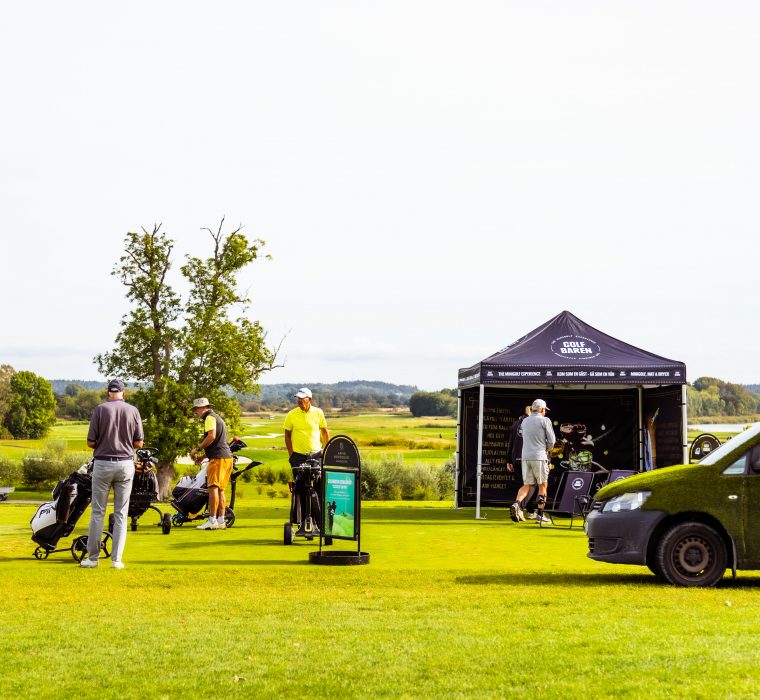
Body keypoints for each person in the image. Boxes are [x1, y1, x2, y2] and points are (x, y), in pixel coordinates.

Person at [80, 379, 144, 569]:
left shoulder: (100, 410)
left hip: (102, 464)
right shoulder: (133, 411)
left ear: (108, 393)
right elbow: (139, 443)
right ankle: (116, 560)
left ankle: (93, 559)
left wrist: (105, 442)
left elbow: (90, 442)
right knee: (121, 513)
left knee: (97, 512)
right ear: (124, 393)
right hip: (125, 464)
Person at [283, 387, 329, 534]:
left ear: (309, 399)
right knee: (300, 488)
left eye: (302, 398)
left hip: (316, 455)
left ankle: (319, 521)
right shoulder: (291, 414)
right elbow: (287, 435)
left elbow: (324, 432)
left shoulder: (318, 412)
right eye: (298, 398)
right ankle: (302, 520)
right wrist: (291, 455)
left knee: (318, 486)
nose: (299, 401)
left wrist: (327, 451)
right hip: (298, 457)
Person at [510, 399, 556, 525]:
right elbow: (552, 441)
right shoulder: (545, 420)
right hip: (539, 456)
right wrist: (546, 449)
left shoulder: (525, 421)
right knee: (542, 485)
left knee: (527, 484)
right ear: (542, 409)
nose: (545, 412)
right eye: (545, 410)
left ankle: (517, 504)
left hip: (525, 457)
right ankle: (540, 515)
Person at [190, 398, 233, 530]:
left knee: (213, 488)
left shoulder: (209, 418)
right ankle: (221, 520)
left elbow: (211, 437)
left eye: (196, 409)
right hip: (226, 457)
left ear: (202, 408)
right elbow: (218, 442)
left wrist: (197, 449)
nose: (196, 412)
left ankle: (212, 520)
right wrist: (203, 457)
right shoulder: (217, 418)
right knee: (220, 490)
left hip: (218, 459)